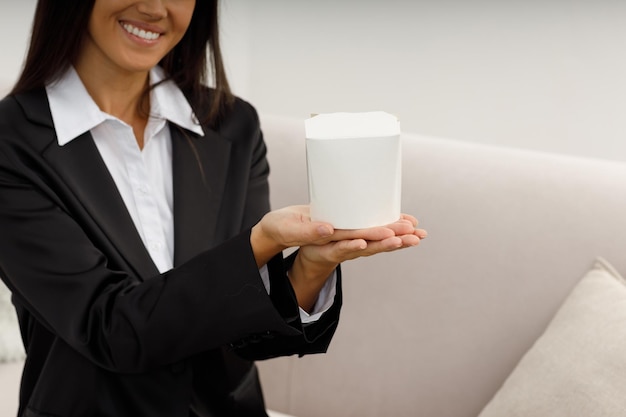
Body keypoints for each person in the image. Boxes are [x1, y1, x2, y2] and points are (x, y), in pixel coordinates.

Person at [0, 0, 428, 416]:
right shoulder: (12, 143)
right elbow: (112, 331)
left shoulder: (232, 125)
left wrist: (311, 265)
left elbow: (247, 335)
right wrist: (259, 243)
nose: (154, 8)